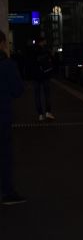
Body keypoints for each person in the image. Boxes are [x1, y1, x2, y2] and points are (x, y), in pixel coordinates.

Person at [0, 31, 26, 205]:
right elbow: (18, 90)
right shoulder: (6, 64)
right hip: (1, 115)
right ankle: (7, 192)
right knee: (4, 154)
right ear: (1, 44)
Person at [26, 35, 56, 121]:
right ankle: (48, 112)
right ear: (42, 41)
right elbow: (52, 61)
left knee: (37, 95)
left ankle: (40, 114)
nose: (46, 42)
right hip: (45, 75)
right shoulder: (46, 50)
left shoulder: (32, 50)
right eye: (45, 41)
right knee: (47, 95)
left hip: (36, 76)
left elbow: (30, 64)